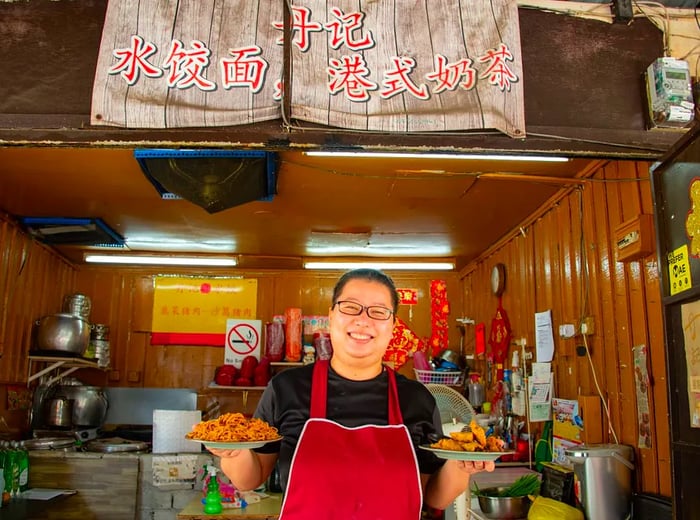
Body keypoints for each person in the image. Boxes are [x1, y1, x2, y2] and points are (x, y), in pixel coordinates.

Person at [208, 268, 494, 519]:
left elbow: (434, 497)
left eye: (378, 311)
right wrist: (232, 453)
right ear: (331, 316)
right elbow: (250, 478)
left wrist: (462, 467)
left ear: (392, 326)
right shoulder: (287, 389)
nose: (363, 320)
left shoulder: (416, 398)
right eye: (350, 307)